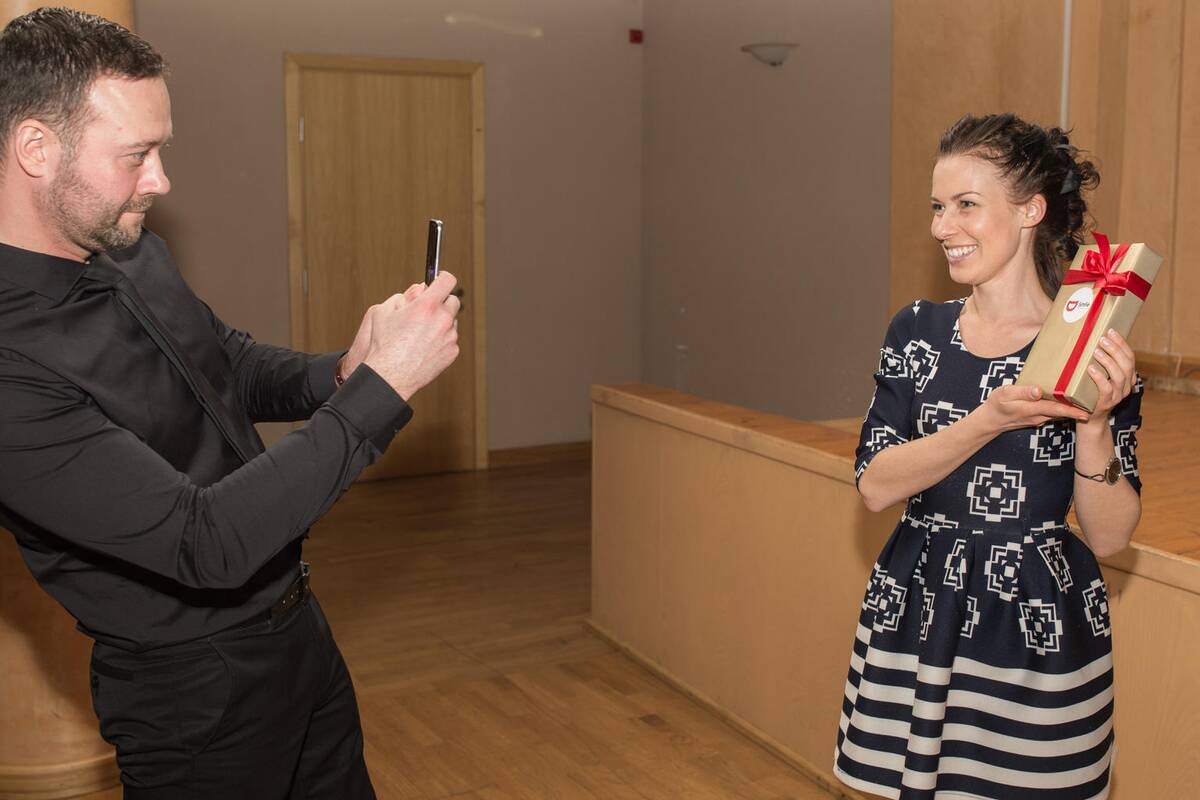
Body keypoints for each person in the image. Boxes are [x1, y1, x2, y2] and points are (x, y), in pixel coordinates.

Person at [0, 8, 461, 798]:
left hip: (297, 629)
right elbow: (202, 541)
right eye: (136, 155)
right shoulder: (10, 363)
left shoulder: (128, 248)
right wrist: (384, 389)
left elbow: (225, 363)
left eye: (161, 150)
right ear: (36, 148)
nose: (160, 181)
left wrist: (342, 371)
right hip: (192, 694)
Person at [833, 113, 1142, 799]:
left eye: (966, 204)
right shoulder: (918, 330)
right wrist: (987, 420)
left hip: (1036, 624)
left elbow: (1112, 537)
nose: (942, 226)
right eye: (938, 207)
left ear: (1031, 210)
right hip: (919, 603)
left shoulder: (1087, 344)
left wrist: (1095, 425)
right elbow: (875, 485)